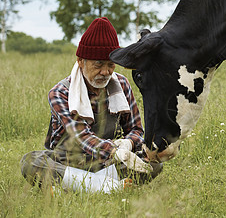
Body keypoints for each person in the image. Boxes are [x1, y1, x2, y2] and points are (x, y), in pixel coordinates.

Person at [20, 17, 161, 194]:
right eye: (98, 65)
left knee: (154, 162)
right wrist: (114, 151)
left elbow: (137, 130)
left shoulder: (122, 84)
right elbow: (81, 137)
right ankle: (109, 187)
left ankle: (75, 187)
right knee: (31, 162)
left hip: (106, 164)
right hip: (67, 164)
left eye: (111, 65)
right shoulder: (60, 92)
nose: (105, 72)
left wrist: (127, 144)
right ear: (80, 61)